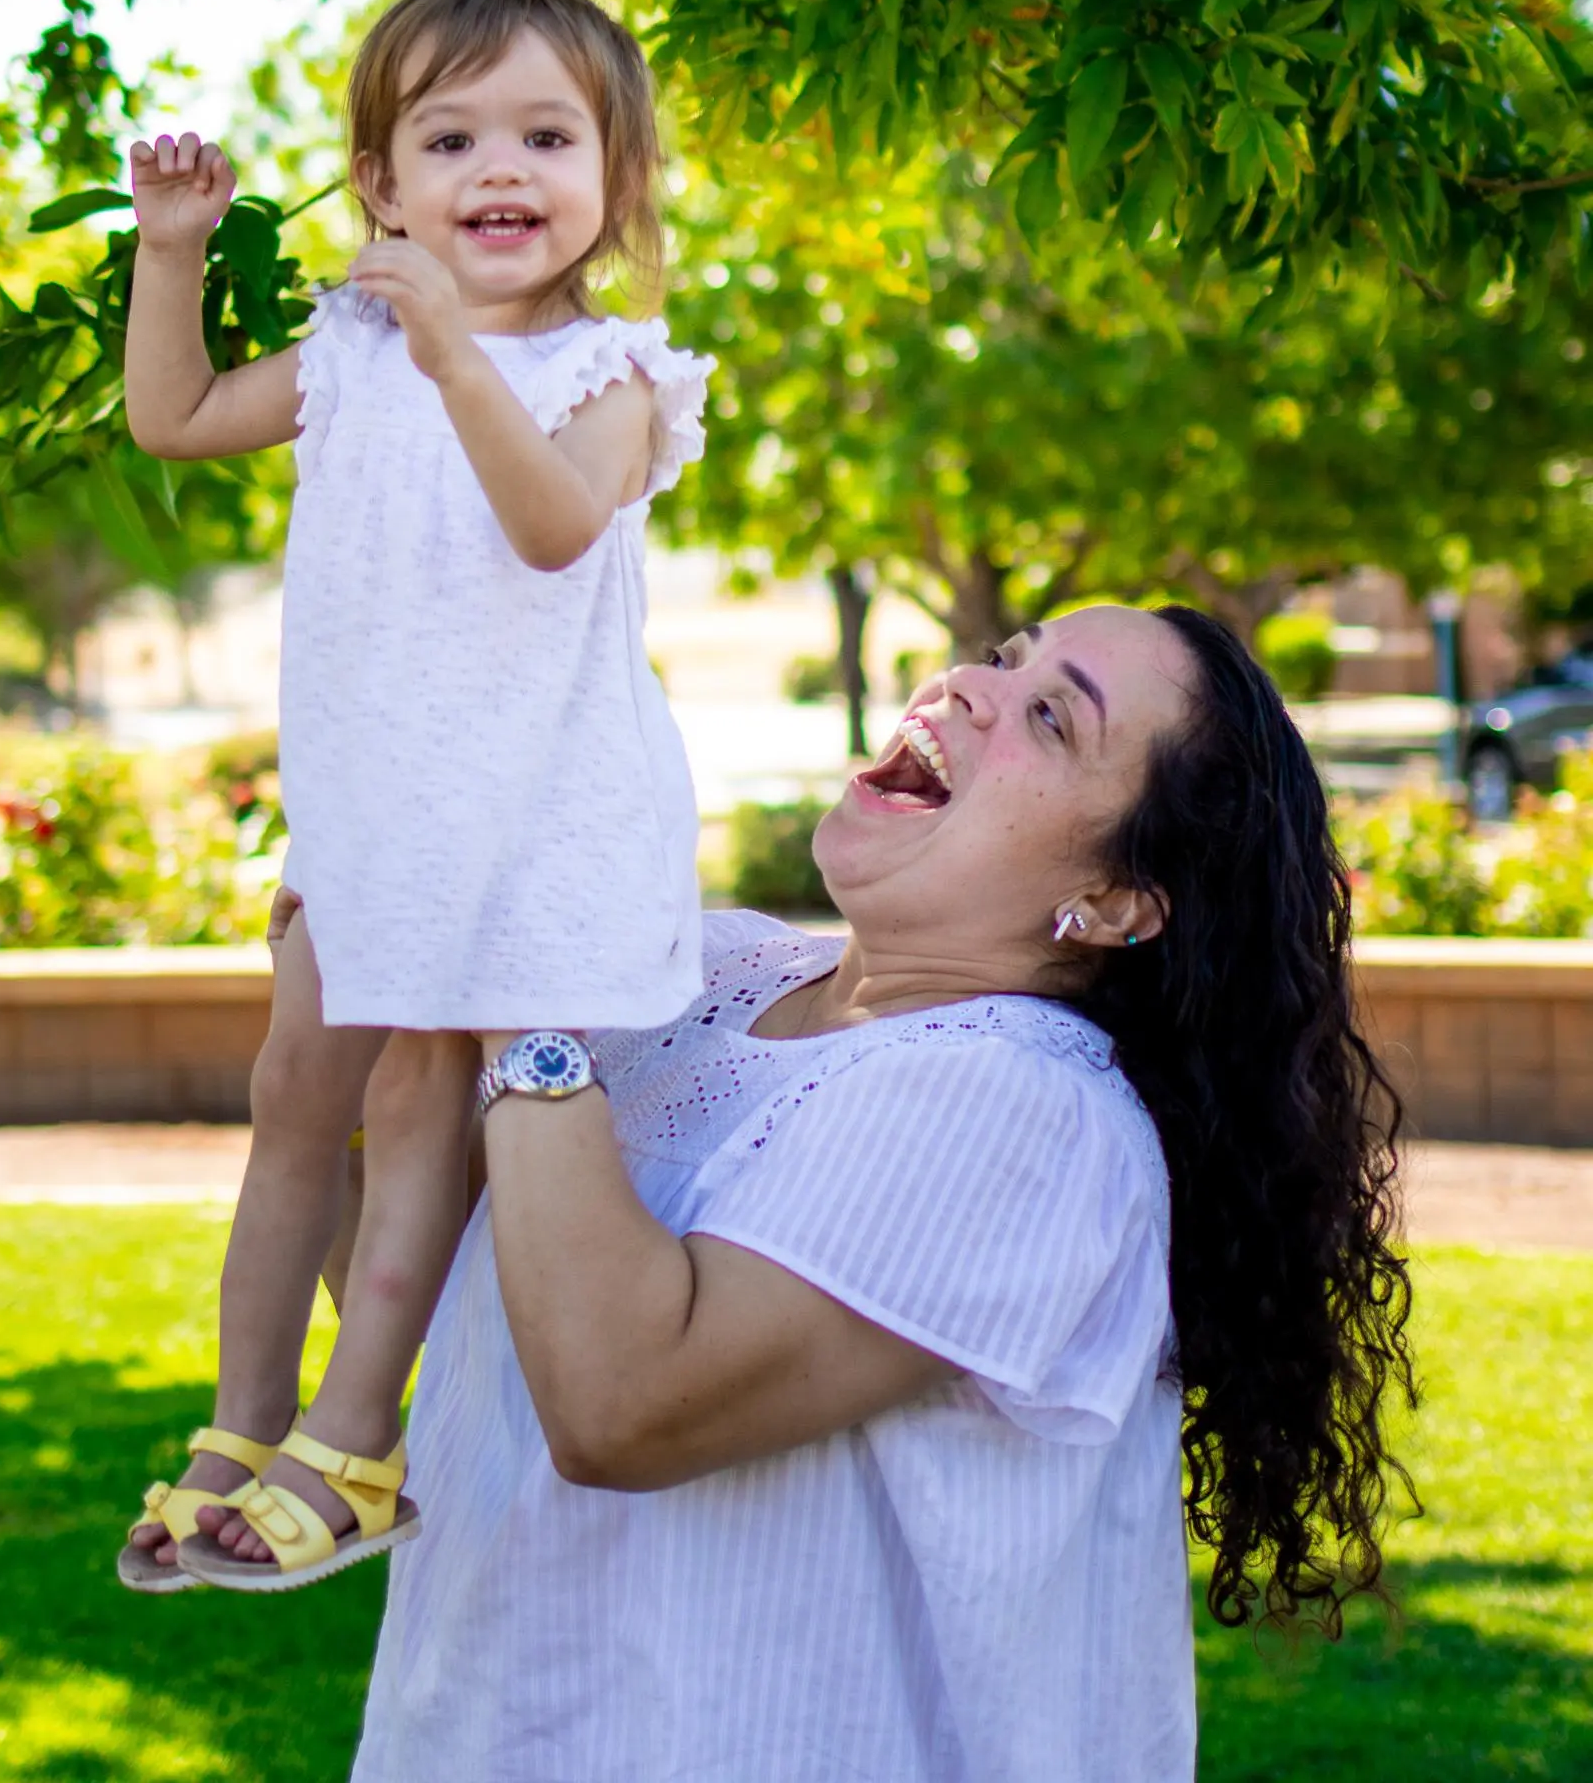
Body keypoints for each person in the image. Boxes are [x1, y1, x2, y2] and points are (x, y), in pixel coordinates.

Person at [349, 604, 1415, 1782]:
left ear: (1116, 901)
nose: (969, 685)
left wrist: (528, 990)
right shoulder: (701, 972)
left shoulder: (1022, 1108)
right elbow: (426, 1295)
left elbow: (619, 1405)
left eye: (1051, 717)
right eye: (1006, 659)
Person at [116, 0, 712, 1595]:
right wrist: (172, 253)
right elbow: (169, 415)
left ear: (615, 177)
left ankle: (361, 1432)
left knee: (405, 1100)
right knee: (288, 1106)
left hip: (518, 824)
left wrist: (456, 349)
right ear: (379, 185)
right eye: (448, 137)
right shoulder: (350, 354)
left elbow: (550, 526)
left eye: (545, 132)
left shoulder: (619, 377)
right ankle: (244, 1417)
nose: (498, 167)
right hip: (372, 818)